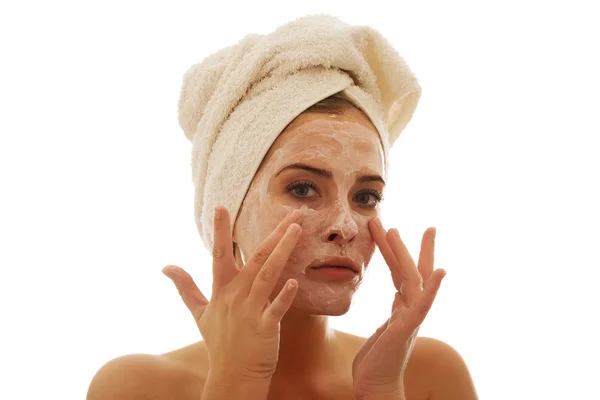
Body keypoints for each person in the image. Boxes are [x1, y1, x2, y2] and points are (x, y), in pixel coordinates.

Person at [87, 14, 478, 400]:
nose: (345, 226)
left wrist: (381, 391)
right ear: (229, 210)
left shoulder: (431, 376)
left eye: (366, 197)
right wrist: (234, 385)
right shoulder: (137, 388)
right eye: (304, 188)